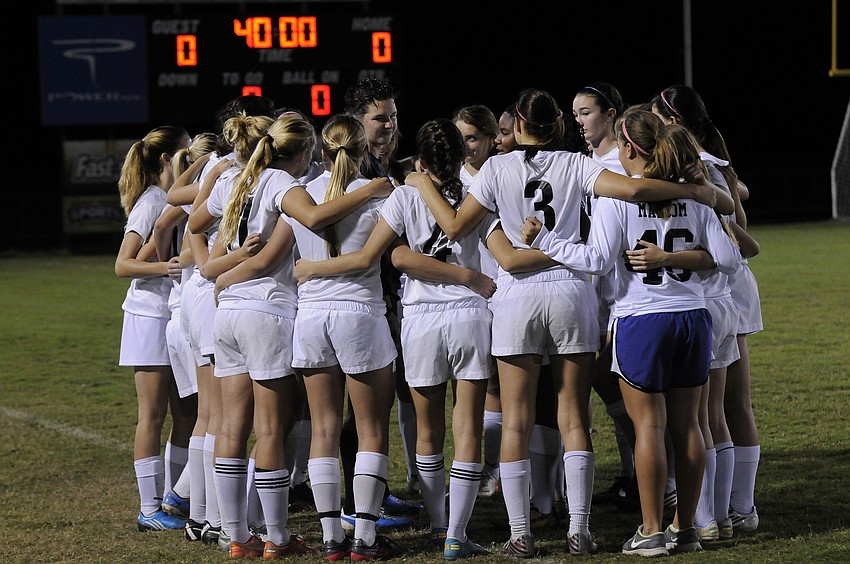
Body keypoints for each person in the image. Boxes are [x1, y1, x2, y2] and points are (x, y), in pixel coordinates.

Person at [405, 88, 722, 557]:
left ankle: (521, 534)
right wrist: (694, 190)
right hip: (571, 289)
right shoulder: (577, 164)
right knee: (575, 416)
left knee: (515, 419)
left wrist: (420, 181)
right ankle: (579, 529)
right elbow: (633, 189)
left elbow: (453, 227)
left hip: (517, 298)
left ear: (515, 125)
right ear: (557, 125)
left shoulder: (495, 168)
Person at [521, 112, 741, 556]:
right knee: (689, 426)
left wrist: (545, 241)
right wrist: (676, 258)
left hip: (643, 320)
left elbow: (597, 260)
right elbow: (729, 259)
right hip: (695, 319)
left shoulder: (617, 199)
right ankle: (689, 529)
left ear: (630, 150)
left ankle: (653, 530)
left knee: (650, 428)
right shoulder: (697, 194)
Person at [295, 118, 499, 561]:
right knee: (463, 428)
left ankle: (423, 524)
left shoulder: (307, 193)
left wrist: (309, 270)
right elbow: (378, 257)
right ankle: (451, 534)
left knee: (417, 430)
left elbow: (396, 255)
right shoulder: (480, 190)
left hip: (411, 318)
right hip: (460, 313)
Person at [279, 113, 402, 561]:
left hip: (311, 317)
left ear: (323, 151)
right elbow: (380, 257)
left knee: (324, 429)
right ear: (362, 148)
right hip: (360, 315)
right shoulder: (379, 197)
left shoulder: (297, 195)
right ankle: (365, 539)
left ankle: (332, 536)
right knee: (370, 429)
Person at [195, 112, 317, 559]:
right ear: (302, 152)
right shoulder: (282, 184)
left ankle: (237, 538)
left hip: (226, 315)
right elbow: (302, 228)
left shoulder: (231, 181)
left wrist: (219, 274)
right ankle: (277, 539)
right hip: (267, 312)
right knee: (269, 429)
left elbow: (194, 225)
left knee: (231, 425)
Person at [651, 84, 763, 536]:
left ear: (671, 121)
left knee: (707, 412)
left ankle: (713, 516)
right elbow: (744, 227)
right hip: (727, 288)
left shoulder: (691, 170)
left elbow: (735, 235)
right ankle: (740, 510)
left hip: (711, 288)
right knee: (729, 406)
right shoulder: (715, 161)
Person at [342, 78, 422, 523]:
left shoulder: (389, 168)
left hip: (383, 297)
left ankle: (374, 491)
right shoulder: (354, 174)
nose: (389, 125)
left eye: (393, 116)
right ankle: (356, 505)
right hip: (356, 299)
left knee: (377, 404)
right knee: (360, 408)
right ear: (357, 122)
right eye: (379, 118)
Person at [115, 125, 191, 531]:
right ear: (167, 159)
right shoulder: (152, 200)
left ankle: (177, 495)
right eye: (186, 151)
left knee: (189, 411)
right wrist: (166, 266)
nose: (193, 155)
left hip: (173, 314)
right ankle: (149, 509)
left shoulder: (172, 199)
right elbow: (123, 265)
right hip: (147, 316)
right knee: (153, 414)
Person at [573, 84, 642, 512]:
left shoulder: (625, 163)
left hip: (626, 290)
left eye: (586, 112)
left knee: (620, 385)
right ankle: (634, 474)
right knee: (607, 383)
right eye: (574, 114)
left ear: (610, 114)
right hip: (592, 287)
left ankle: (646, 478)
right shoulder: (582, 164)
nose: (579, 121)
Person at [154, 131, 217, 522]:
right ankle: (188, 501)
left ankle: (190, 501)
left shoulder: (194, 189)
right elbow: (166, 231)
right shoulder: (217, 186)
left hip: (186, 311)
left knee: (202, 417)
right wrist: (173, 265)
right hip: (195, 308)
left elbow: (166, 227)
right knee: (215, 417)